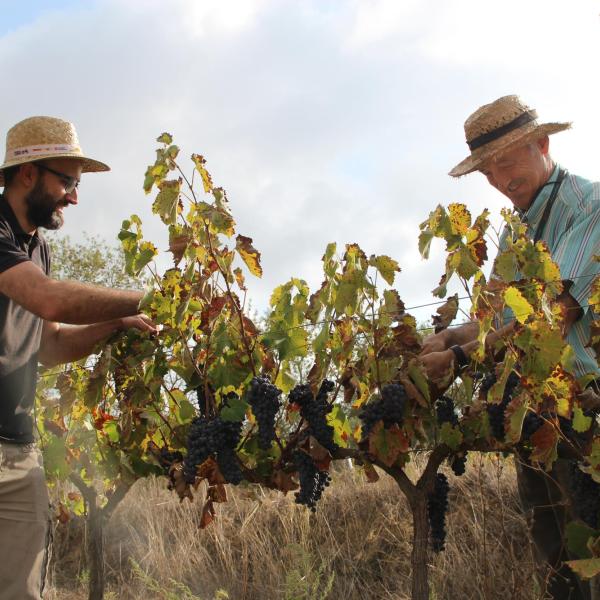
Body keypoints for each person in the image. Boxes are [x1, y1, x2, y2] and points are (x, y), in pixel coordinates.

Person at [420, 95, 600, 599]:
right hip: (531, 414)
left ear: (542, 144)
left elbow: (552, 317)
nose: (499, 180)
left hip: (584, 411)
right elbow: (498, 322)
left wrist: (458, 359)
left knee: (592, 552)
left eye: (507, 161)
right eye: (487, 172)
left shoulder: (588, 206)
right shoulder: (517, 228)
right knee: (557, 565)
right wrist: (451, 336)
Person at [0, 116, 157, 600]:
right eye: (67, 181)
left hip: (17, 447)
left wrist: (114, 326)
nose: (74, 196)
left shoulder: (38, 249)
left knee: (23, 591)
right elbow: (49, 300)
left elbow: (49, 344)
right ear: (28, 174)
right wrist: (151, 299)